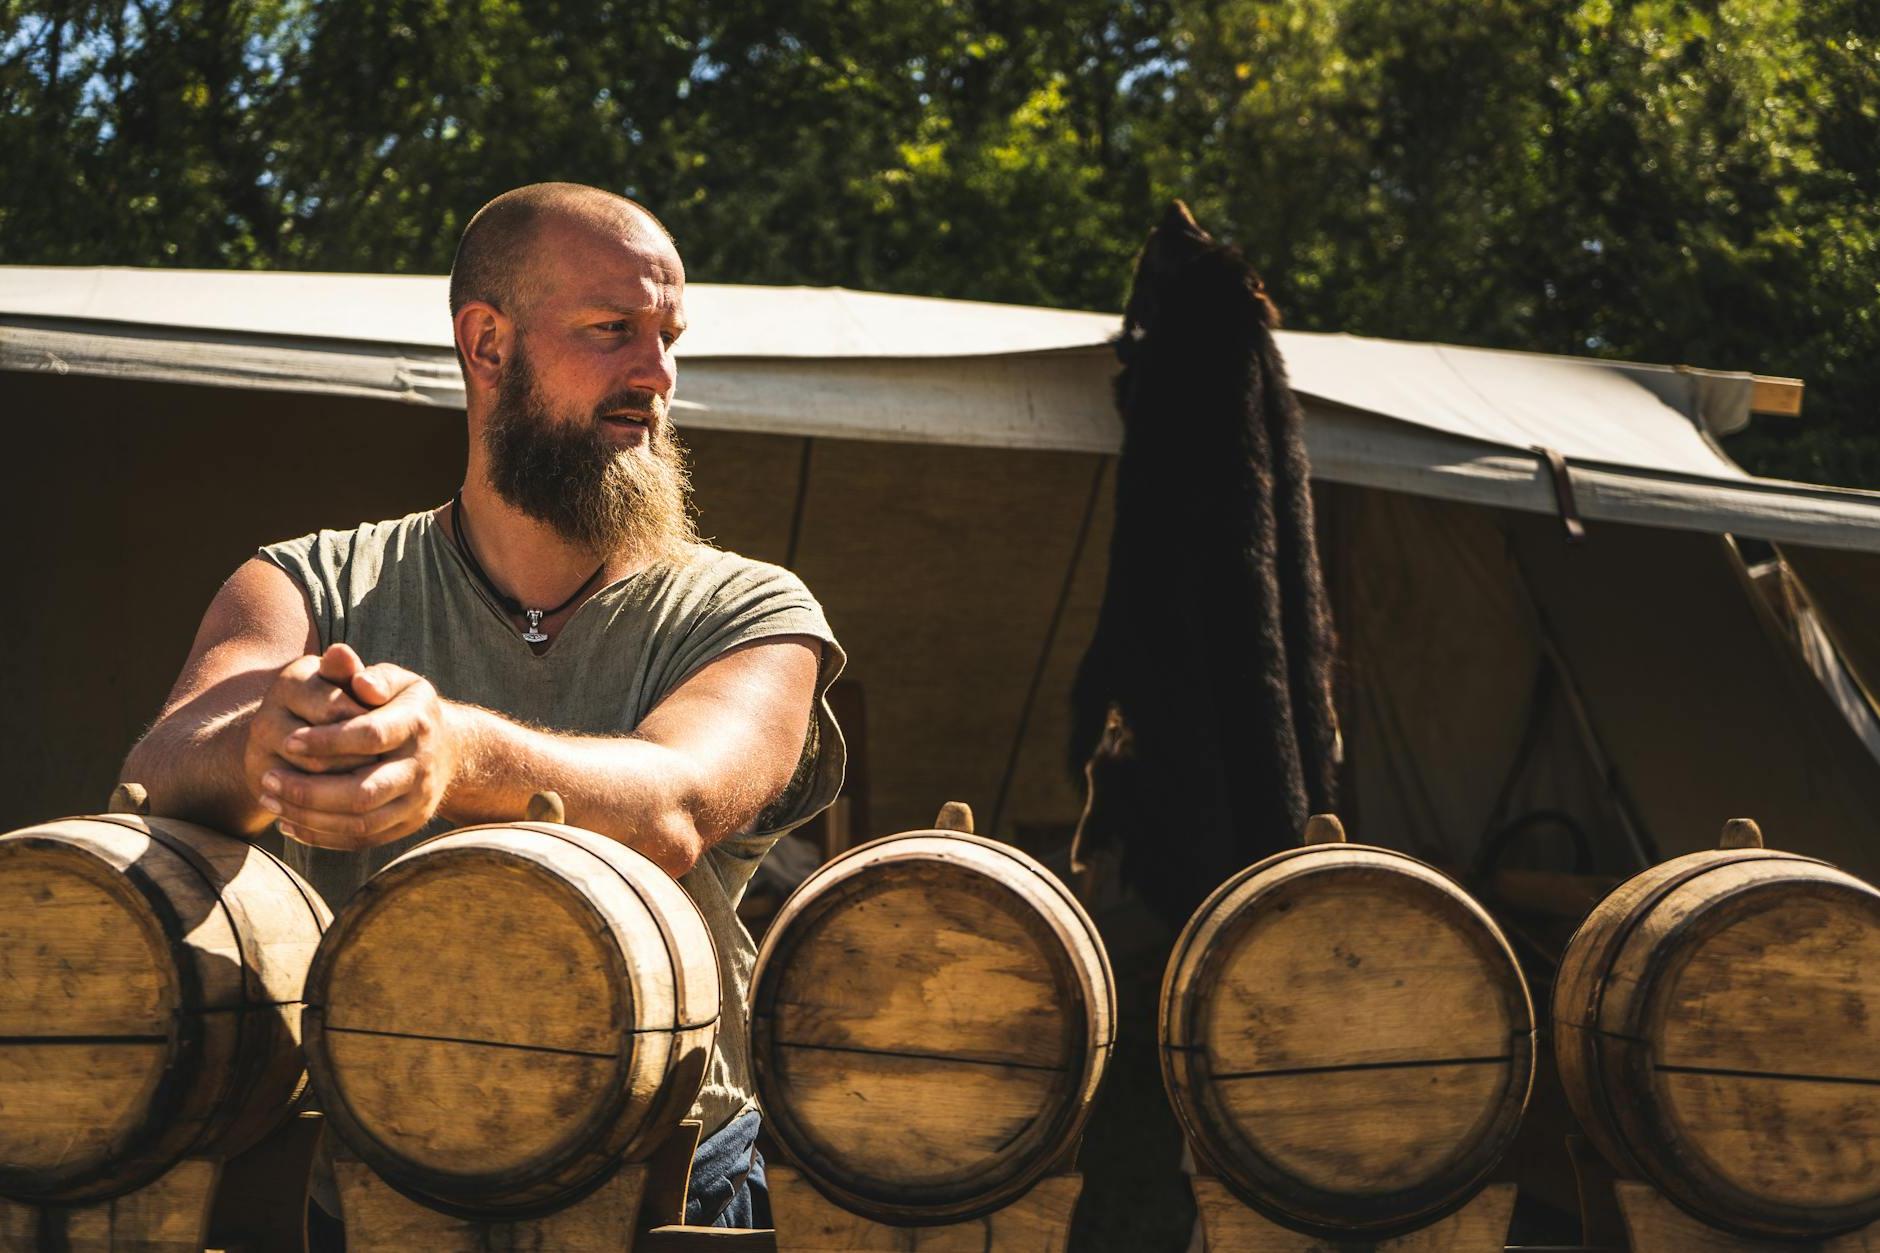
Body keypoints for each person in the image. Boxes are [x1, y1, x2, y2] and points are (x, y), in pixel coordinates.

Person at [121, 182, 845, 1232]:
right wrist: (267, 741)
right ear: (487, 341)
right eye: (614, 331)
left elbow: (679, 801)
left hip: (672, 1193)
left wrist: (449, 752)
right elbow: (163, 760)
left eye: (667, 337)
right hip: (378, 1186)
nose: (656, 373)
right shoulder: (310, 583)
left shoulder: (751, 606)